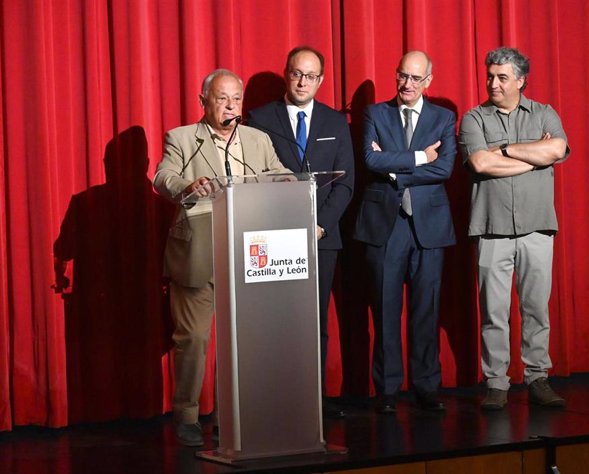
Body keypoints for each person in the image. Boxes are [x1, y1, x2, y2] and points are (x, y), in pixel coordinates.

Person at [153, 69, 289, 446]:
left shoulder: (258, 139)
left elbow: (277, 174)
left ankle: (244, 410)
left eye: (236, 99)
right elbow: (163, 176)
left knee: (247, 339)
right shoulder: (182, 139)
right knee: (194, 338)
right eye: (221, 98)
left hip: (250, 253)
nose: (230, 106)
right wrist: (186, 185)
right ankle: (187, 414)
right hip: (198, 252)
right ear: (204, 102)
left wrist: (289, 182)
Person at [458, 47, 570, 410]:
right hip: (491, 228)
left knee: (536, 307)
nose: (493, 83)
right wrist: (529, 157)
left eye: (502, 77)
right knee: (493, 311)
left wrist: (503, 151)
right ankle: (497, 382)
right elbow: (480, 162)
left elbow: (557, 149)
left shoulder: (545, 113)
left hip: (537, 227)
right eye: (490, 76)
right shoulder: (474, 118)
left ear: (520, 80)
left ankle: (538, 377)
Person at [247, 46, 355, 419]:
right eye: (296, 73)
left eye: (310, 76)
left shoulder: (335, 122)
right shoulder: (260, 119)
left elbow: (346, 183)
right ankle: (275, 398)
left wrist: (320, 225)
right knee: (275, 322)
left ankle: (314, 398)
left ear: (321, 80)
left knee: (315, 321)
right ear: (286, 74)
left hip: (322, 239)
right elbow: (254, 177)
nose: (303, 82)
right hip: (273, 239)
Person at [353, 51, 456, 414]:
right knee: (384, 310)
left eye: (415, 78)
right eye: (402, 76)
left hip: (430, 227)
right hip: (385, 224)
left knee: (425, 310)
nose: (407, 84)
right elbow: (369, 159)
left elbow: (444, 168)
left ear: (428, 81)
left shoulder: (444, 117)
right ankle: (387, 391)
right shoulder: (375, 114)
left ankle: (427, 386)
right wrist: (418, 158)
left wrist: (394, 167)